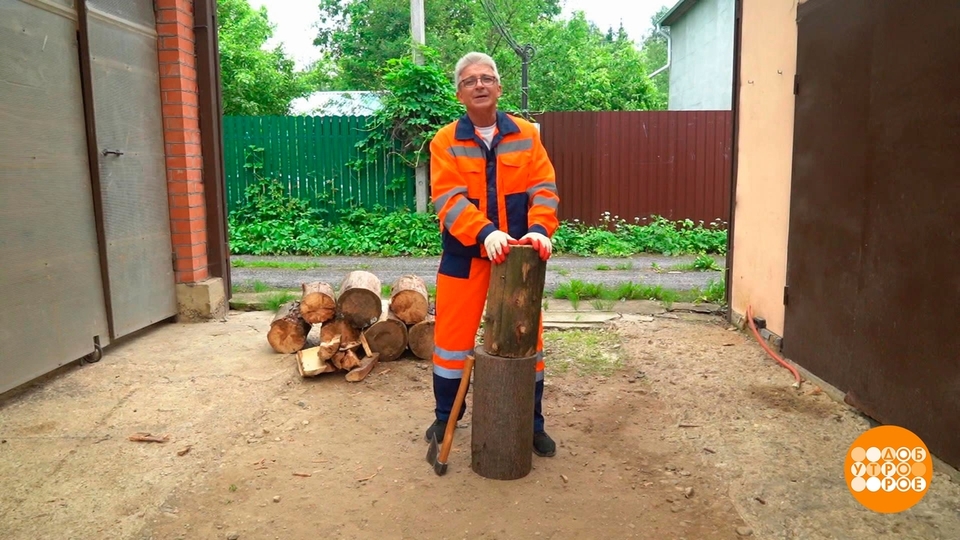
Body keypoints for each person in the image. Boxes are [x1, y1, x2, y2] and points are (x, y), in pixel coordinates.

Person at [425, 52, 561, 457]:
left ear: (499, 88)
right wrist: (484, 233)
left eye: (487, 78)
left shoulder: (526, 135)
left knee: (527, 342)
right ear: (459, 93)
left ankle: (531, 423)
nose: (479, 85)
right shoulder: (445, 141)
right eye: (470, 80)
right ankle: (446, 416)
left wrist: (539, 229)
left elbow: (544, 189)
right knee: (451, 344)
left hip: (519, 261)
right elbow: (447, 200)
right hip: (464, 257)